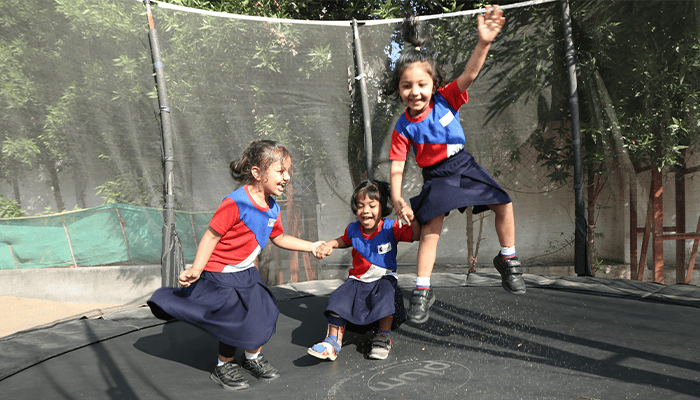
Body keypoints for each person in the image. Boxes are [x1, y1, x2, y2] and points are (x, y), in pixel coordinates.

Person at [147, 139, 328, 391]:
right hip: (220, 273)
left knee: (264, 311)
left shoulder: (272, 208)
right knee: (233, 317)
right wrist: (197, 269)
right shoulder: (235, 203)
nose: (287, 177)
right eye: (280, 171)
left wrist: (311, 246)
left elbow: (278, 238)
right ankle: (224, 365)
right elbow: (211, 236)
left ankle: (252, 358)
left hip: (245, 273)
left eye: (288, 171)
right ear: (257, 173)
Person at [387, 5, 525, 325]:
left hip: (463, 164)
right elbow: (396, 165)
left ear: (434, 83)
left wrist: (485, 42)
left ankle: (508, 260)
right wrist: (397, 198)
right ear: (399, 89)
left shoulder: (447, 98)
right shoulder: (403, 127)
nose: (415, 91)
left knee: (503, 202)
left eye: (422, 84)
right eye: (407, 86)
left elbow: (471, 73)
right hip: (436, 176)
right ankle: (422, 290)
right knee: (431, 232)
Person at [307, 180, 420, 361]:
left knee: (386, 297)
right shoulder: (353, 229)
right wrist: (330, 244)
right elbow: (344, 239)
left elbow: (415, 235)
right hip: (358, 279)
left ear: (383, 208)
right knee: (338, 299)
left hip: (384, 278)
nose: (365, 210)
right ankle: (332, 342)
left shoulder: (391, 227)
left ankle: (383, 337)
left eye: (372, 205)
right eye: (360, 206)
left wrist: (412, 218)